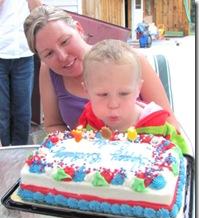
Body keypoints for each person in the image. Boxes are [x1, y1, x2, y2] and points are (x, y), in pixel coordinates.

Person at [23, 5, 181, 137]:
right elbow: (54, 124)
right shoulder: (49, 72)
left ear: (79, 29)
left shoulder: (129, 60)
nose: (62, 56)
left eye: (65, 41)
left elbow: (170, 123)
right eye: (49, 53)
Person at [78, 39, 188, 154]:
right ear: (86, 90)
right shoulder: (87, 122)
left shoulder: (160, 128)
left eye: (124, 93)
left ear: (139, 88)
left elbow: (183, 163)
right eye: (103, 94)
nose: (113, 104)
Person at [0, 0, 42, 146]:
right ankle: (5, 154)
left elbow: (38, 15)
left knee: (23, 111)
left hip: (24, 53)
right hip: (1, 52)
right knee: (2, 111)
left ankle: (20, 153)